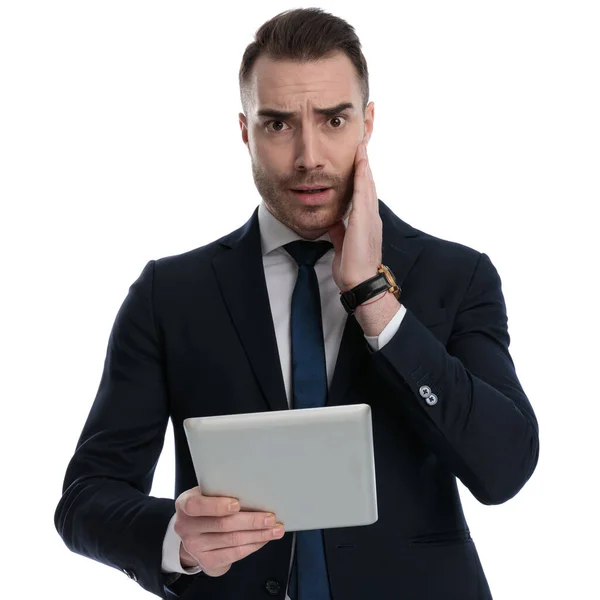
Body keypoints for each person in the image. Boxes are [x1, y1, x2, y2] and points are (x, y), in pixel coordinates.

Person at [54, 7, 539, 600]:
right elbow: (85, 497)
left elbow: (504, 468)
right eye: (279, 125)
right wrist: (175, 539)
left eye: (333, 120)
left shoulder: (456, 276)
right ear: (244, 131)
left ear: (367, 125)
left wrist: (374, 301)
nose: (309, 155)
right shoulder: (169, 294)